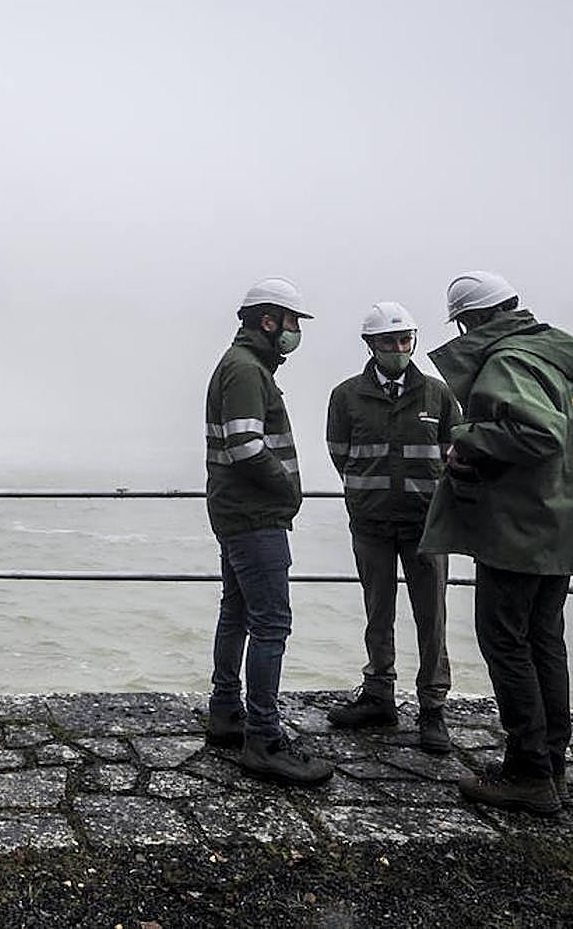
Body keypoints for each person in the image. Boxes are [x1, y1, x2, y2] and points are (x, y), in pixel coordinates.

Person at [420, 271, 573, 815]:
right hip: (563, 528)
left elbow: (539, 433)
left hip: (520, 532)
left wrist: (466, 441)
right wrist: (561, 490)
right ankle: (551, 765)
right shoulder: (557, 358)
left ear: (472, 321)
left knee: (505, 641)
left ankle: (527, 772)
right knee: (545, 640)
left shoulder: (507, 362)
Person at [203, 277, 334, 786]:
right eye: (293, 322)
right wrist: (288, 492)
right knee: (271, 625)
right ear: (268, 320)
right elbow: (245, 446)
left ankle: (225, 712)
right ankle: (263, 738)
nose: (295, 332)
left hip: (239, 513)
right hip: (255, 517)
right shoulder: (245, 369)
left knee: (236, 612)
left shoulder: (246, 365)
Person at [323, 302, 461, 754]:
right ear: (371, 345)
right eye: (389, 342)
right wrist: (368, 497)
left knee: (432, 618)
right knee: (377, 613)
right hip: (371, 523)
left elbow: (454, 455)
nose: (399, 349)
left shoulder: (439, 396)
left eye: (405, 341)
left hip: (428, 526)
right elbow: (339, 453)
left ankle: (433, 708)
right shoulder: (346, 397)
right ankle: (379, 694)